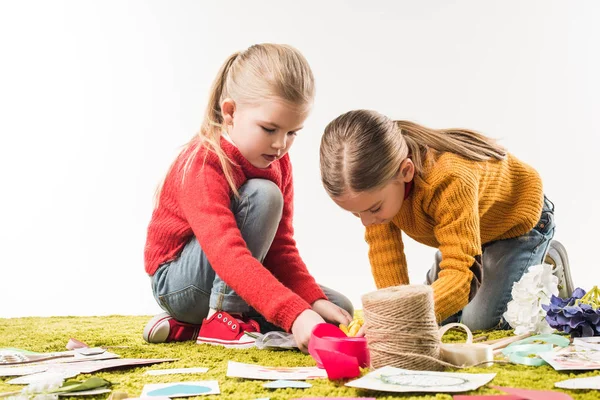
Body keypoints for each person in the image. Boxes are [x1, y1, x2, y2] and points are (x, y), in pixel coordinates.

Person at [142, 44, 353, 352]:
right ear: (230, 113)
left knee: (334, 308)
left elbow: (281, 248)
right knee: (264, 195)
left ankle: (193, 325)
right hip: (180, 285)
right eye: (270, 129)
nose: (281, 144)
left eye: (293, 132)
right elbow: (227, 254)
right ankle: (220, 318)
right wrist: (294, 313)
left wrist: (311, 300)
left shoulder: (277, 161)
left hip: (232, 274)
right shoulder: (204, 163)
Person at [319, 109, 571, 331]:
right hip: (468, 233)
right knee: (440, 319)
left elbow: (462, 277)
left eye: (372, 209)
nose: (365, 222)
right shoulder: (377, 199)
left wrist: (407, 317)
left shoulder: (449, 179)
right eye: (355, 213)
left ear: (405, 172)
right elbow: (387, 259)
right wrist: (392, 315)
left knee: (479, 321)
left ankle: (548, 259)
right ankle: (458, 254)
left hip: (518, 226)